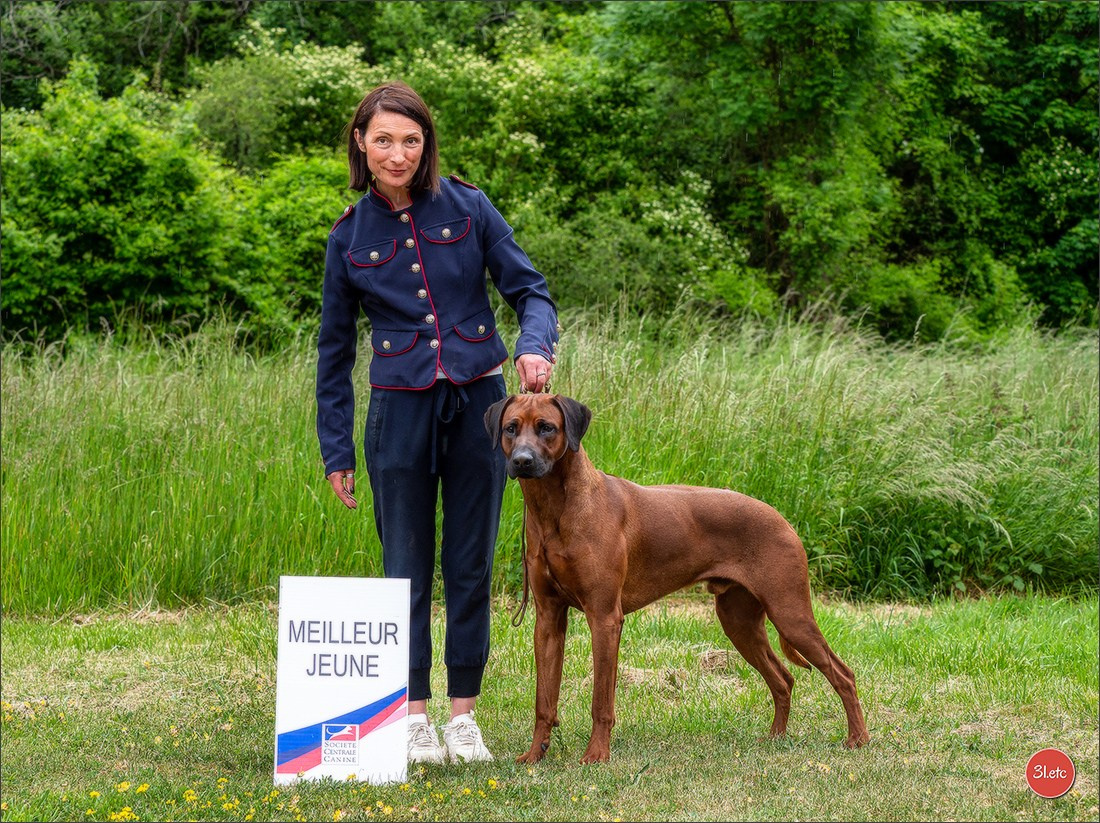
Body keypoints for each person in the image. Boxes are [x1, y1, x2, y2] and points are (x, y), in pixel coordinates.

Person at [315, 81, 559, 765]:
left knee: (471, 563)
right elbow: (333, 353)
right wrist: (336, 447)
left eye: (411, 140)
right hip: (398, 412)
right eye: (384, 139)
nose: (398, 153)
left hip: (481, 410)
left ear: (426, 145)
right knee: (405, 571)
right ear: (361, 144)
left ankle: (463, 717)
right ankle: (413, 716)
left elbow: (529, 290)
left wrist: (535, 342)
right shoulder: (348, 235)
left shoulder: (469, 206)